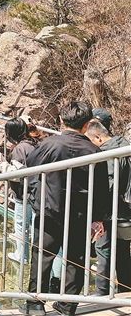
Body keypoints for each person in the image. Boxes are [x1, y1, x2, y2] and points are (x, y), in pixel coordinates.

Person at [20, 101, 110, 316]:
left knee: (42, 256)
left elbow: (30, 165)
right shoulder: (94, 151)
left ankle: (35, 304)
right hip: (81, 214)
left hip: (49, 210)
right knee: (75, 260)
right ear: (87, 124)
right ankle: (68, 305)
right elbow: (101, 188)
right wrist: (99, 218)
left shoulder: (49, 144)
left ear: (61, 120)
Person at [85, 118, 131, 296]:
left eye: (91, 141)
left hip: (110, 212)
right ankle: (126, 289)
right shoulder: (124, 146)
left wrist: (97, 213)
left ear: (98, 137)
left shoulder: (108, 154)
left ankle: (102, 292)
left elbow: (109, 185)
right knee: (122, 251)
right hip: (125, 211)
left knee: (103, 250)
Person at [0, 116, 39, 264]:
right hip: (36, 192)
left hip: (23, 193)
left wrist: (1, 162)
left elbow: (16, 174)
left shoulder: (19, 149)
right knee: (35, 225)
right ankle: (35, 255)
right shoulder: (34, 144)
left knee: (21, 224)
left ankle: (22, 255)